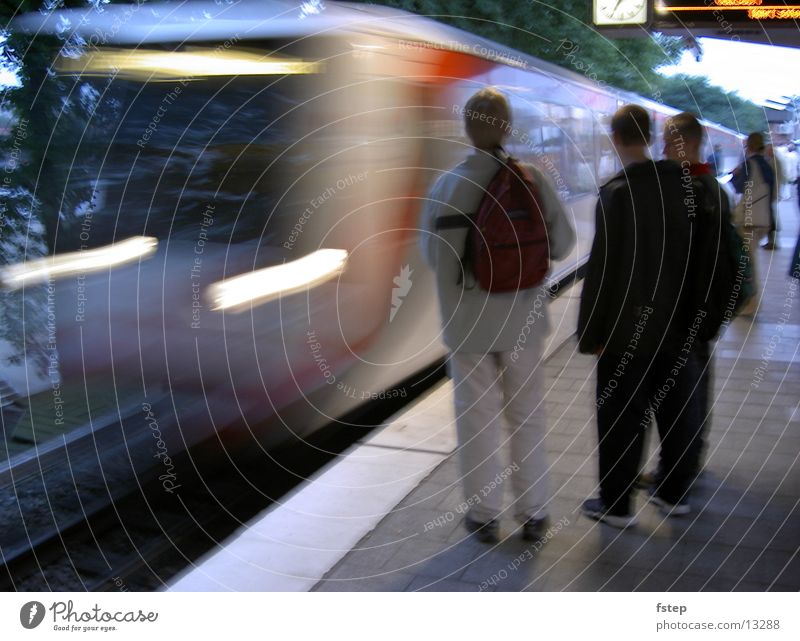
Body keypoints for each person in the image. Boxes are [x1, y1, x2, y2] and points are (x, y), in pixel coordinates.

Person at [418, 87, 575, 543]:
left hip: (468, 326)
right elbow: (562, 246)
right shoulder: (532, 179)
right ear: (509, 128)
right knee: (527, 416)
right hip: (524, 321)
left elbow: (436, 262)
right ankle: (535, 513)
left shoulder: (446, 185)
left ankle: (485, 515)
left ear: (467, 129)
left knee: (477, 419)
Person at [577, 104, 700, 528]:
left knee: (621, 417)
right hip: (676, 324)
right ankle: (674, 495)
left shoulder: (615, 193)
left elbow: (602, 273)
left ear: (615, 138)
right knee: (677, 409)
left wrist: (591, 333)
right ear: (648, 137)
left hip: (626, 329)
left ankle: (616, 505)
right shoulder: (683, 187)